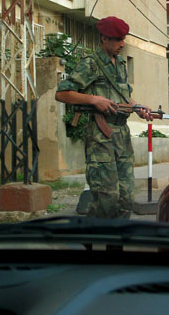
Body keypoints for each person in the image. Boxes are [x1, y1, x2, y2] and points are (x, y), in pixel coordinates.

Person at [55, 16, 152, 219]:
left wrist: (138, 107)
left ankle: (116, 243)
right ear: (104, 39)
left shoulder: (121, 64)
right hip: (101, 136)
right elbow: (62, 93)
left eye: (123, 39)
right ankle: (93, 235)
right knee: (106, 198)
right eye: (117, 39)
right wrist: (93, 100)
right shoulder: (91, 64)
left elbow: (124, 95)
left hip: (122, 136)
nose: (122, 44)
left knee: (126, 197)